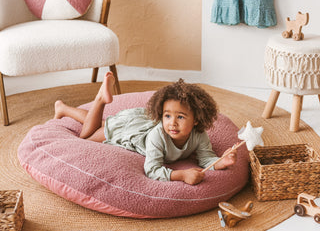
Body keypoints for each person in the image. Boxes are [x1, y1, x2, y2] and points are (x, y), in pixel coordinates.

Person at [54, 72, 237, 185]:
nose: (172, 123)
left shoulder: (199, 135)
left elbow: (206, 159)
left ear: (197, 119)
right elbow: (152, 169)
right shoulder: (159, 136)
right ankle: (100, 99)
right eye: (167, 116)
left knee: (100, 124)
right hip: (131, 131)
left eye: (180, 117)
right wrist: (180, 175)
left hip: (139, 124)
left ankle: (62, 108)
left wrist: (221, 162)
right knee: (87, 136)